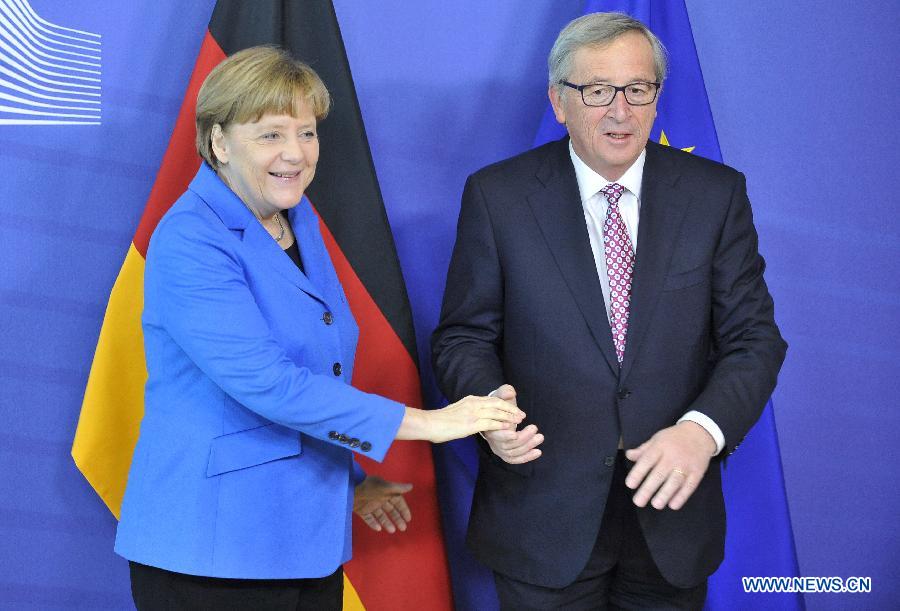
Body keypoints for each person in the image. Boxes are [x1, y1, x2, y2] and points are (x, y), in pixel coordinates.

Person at [114, 46, 524, 610]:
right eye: (270, 135)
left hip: (305, 536)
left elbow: (316, 369)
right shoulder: (190, 238)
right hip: (214, 547)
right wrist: (429, 423)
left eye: (306, 133)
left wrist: (351, 483)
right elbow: (268, 383)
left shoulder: (295, 217)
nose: (295, 153)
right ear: (217, 143)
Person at [432, 12, 786, 610]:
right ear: (558, 101)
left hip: (672, 515)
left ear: (655, 99)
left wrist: (702, 433)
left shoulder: (715, 194)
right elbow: (462, 337)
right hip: (540, 514)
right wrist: (493, 410)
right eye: (596, 91)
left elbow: (754, 339)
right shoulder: (499, 196)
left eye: (637, 90)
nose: (619, 110)